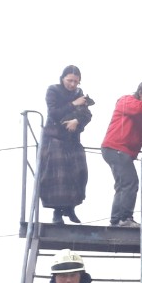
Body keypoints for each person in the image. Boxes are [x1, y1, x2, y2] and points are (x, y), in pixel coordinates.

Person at [38, 65, 94, 224]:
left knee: (78, 172)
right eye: (69, 80)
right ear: (62, 78)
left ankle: (70, 209)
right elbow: (53, 113)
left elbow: (87, 115)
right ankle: (57, 214)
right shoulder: (53, 90)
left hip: (72, 140)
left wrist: (77, 121)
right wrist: (74, 104)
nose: (72, 84)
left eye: (76, 81)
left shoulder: (79, 93)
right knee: (58, 177)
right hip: (54, 138)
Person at [100, 81, 142, 227]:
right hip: (116, 148)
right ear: (140, 93)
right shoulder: (126, 101)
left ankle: (116, 220)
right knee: (130, 182)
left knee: (123, 184)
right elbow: (138, 107)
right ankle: (125, 218)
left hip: (118, 151)